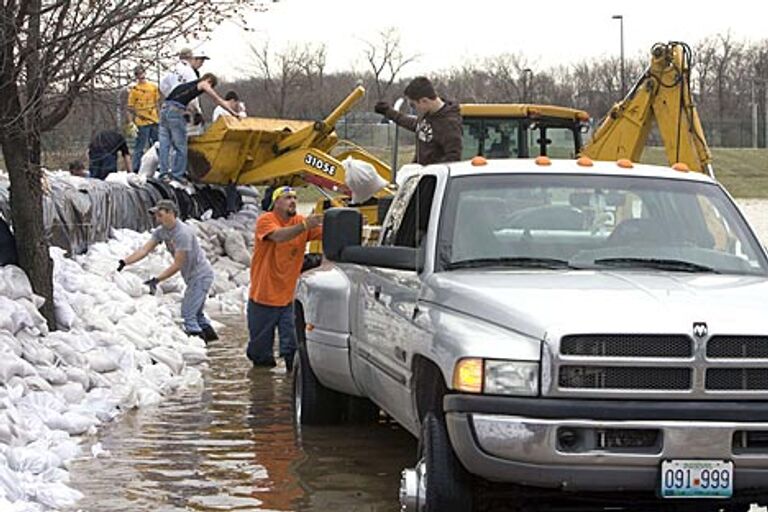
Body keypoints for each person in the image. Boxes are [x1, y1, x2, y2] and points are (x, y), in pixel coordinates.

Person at [117, 199, 218, 342]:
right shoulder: (161, 231)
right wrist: (124, 262)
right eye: (156, 216)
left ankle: (199, 351)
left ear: (171, 213)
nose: (157, 219)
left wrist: (157, 280)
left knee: (188, 315)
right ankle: (213, 349)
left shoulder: (182, 233)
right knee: (198, 315)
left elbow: (178, 264)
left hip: (200, 276)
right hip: (191, 277)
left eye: (160, 215)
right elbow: (145, 250)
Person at [247, 186, 323, 370]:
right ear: (276, 202)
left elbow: (326, 233)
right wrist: (306, 226)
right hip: (263, 298)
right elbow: (279, 236)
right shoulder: (266, 220)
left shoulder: (299, 221)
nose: (293, 201)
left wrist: (346, 222)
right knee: (260, 355)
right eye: (288, 197)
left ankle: (291, 387)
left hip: (289, 299)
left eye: (295, 197)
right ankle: (261, 390)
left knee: (292, 349)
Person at [158, 69, 237, 183]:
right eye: (212, 85)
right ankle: (177, 175)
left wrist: (192, 111)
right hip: (175, 112)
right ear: (209, 80)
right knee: (181, 146)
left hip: (164, 110)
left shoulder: (184, 86)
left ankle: (163, 174)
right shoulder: (204, 83)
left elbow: (181, 100)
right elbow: (217, 99)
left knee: (164, 144)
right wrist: (233, 113)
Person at [374, 76, 462, 165]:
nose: (414, 109)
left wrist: (429, 172)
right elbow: (414, 124)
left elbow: (453, 158)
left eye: (413, 105)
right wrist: (388, 112)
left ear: (424, 101)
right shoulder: (429, 114)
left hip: (434, 176)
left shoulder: (449, 124)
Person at [127, 65, 160, 172]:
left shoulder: (153, 88)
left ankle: (158, 166)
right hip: (141, 122)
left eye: (141, 73)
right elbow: (130, 108)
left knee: (157, 144)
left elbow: (157, 103)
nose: (140, 76)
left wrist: (161, 118)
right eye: (138, 74)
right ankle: (136, 168)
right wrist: (131, 123)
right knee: (139, 147)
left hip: (154, 120)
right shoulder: (135, 90)